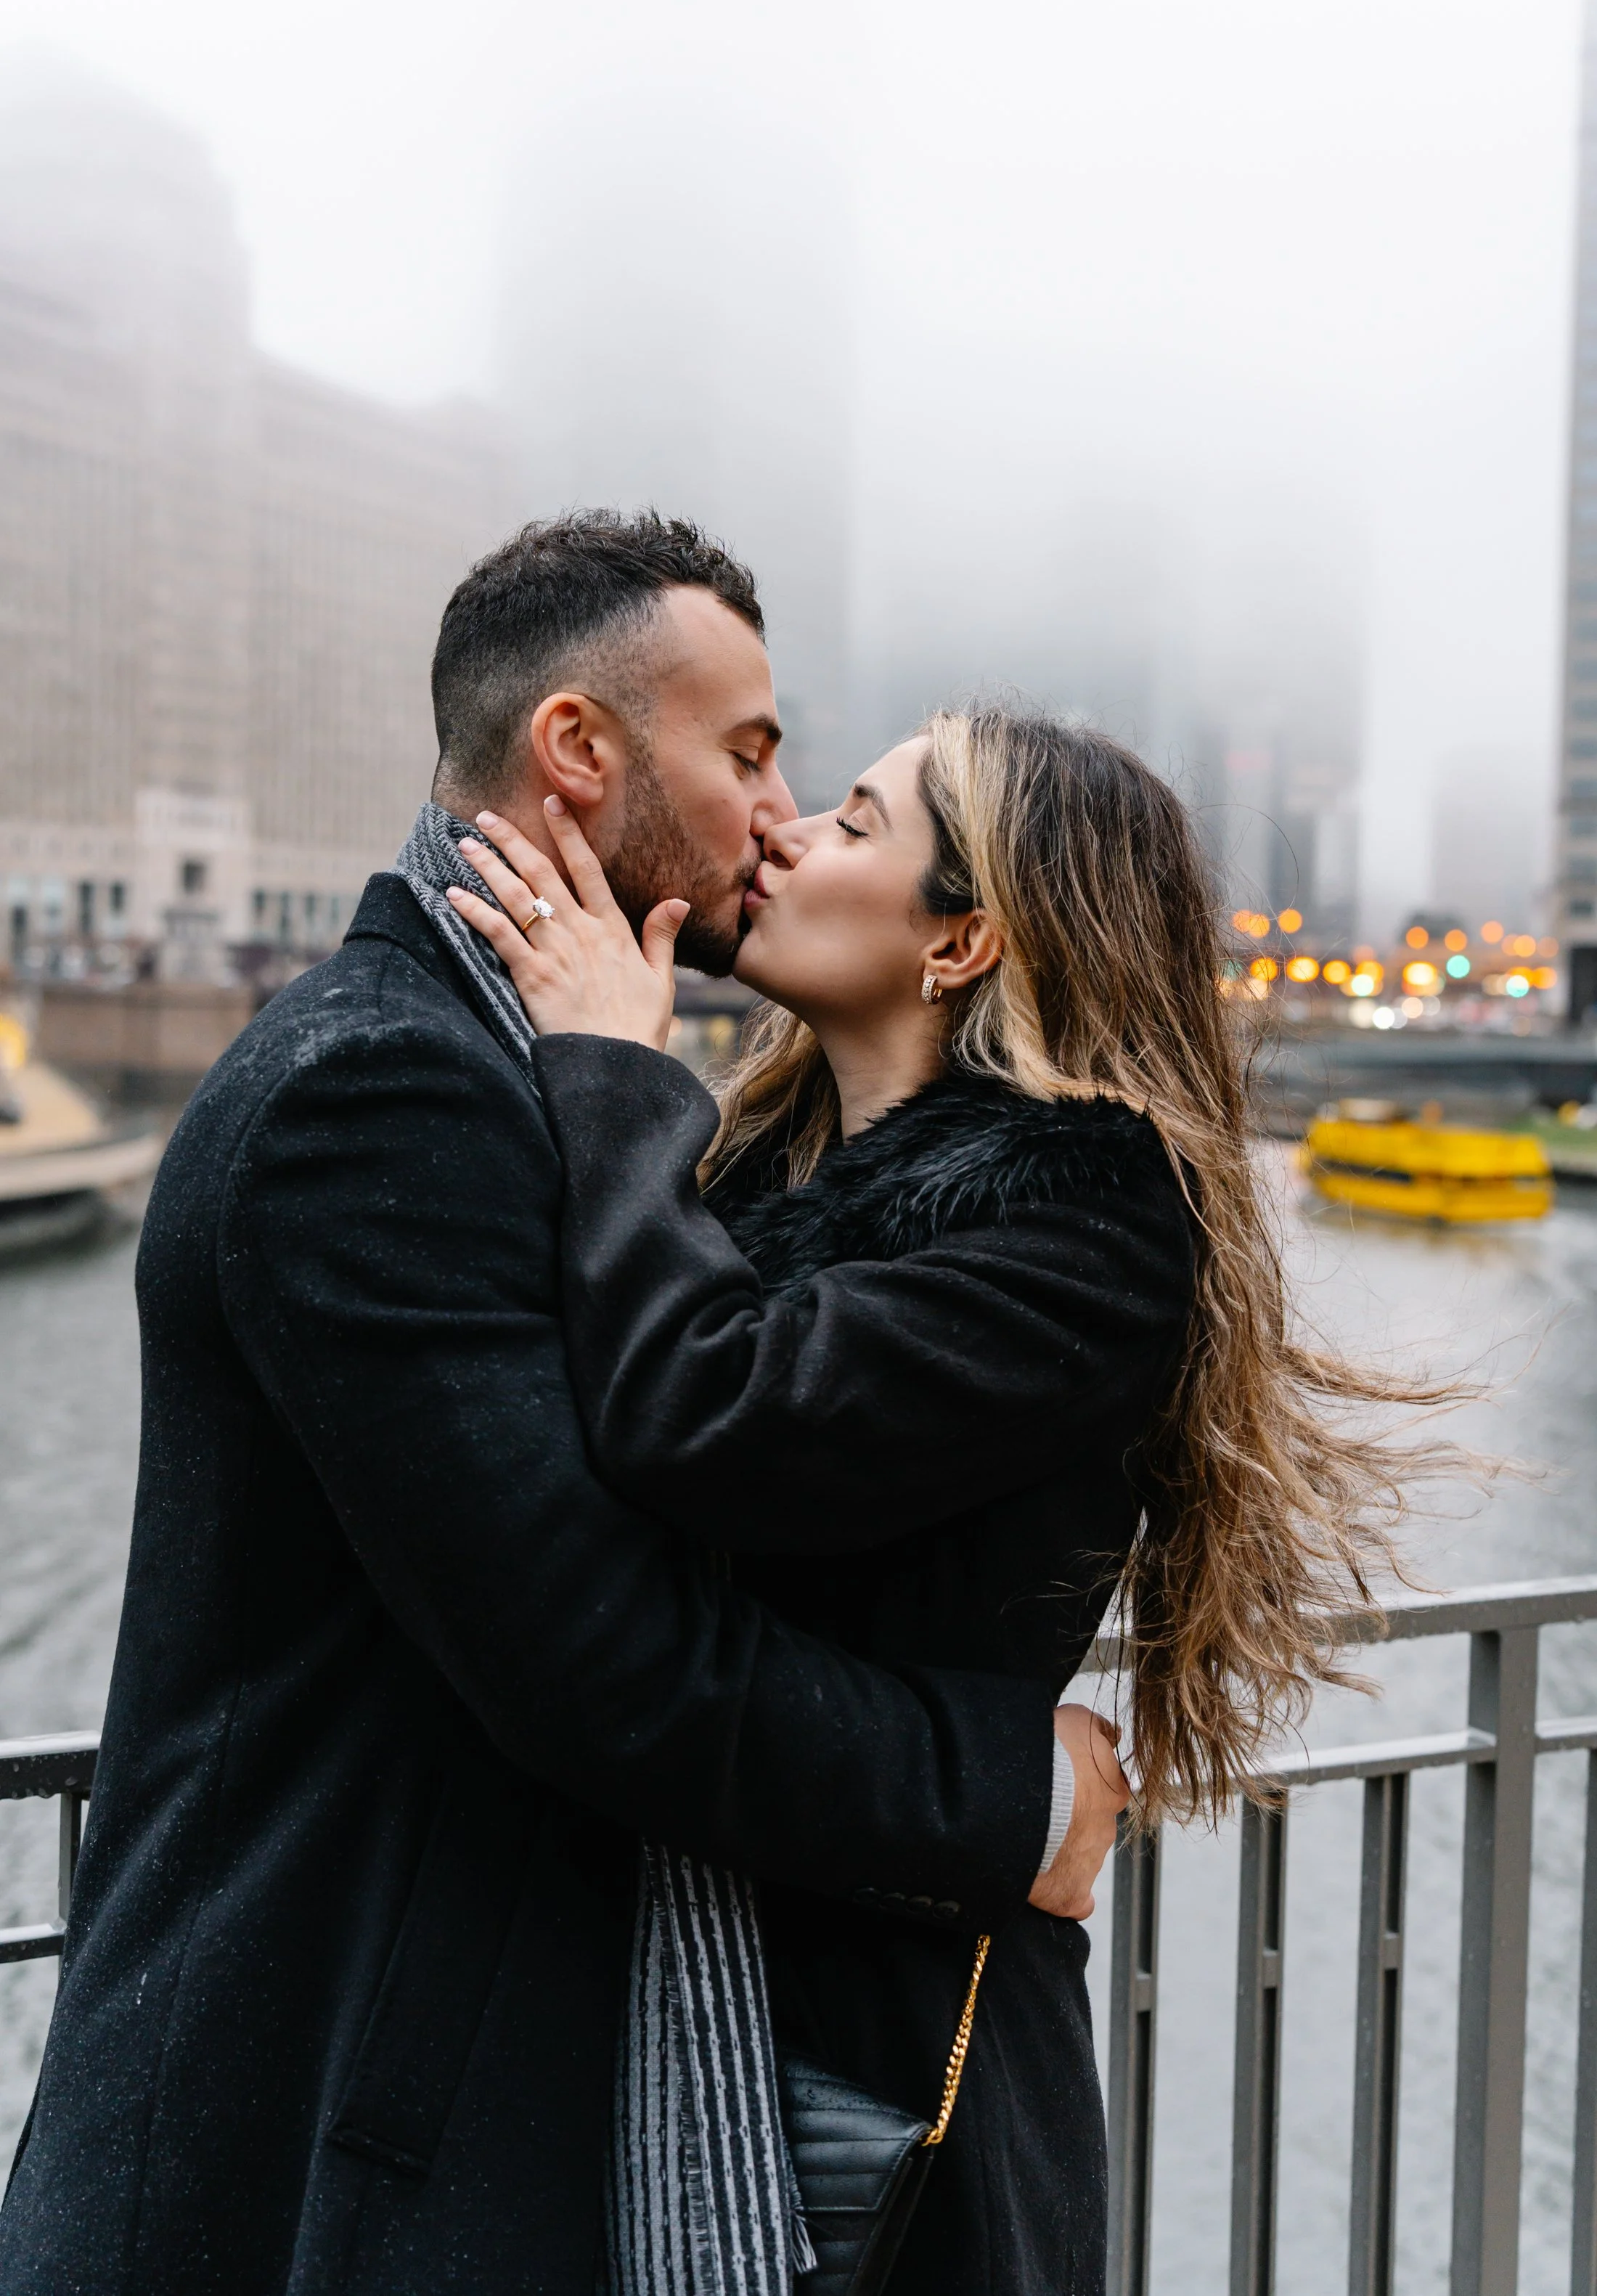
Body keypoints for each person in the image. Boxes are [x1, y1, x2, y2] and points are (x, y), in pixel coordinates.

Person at [0, 516, 1122, 2296]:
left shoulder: (516, 1080)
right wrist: (1008, 1800)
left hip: (440, 2068)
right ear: (580, 755)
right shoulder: (381, 1088)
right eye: (747, 754)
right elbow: (607, 1653)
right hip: (307, 2102)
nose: (773, 811)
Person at [448, 702, 1429, 2296]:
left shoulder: (1085, 1219)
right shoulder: (762, 1177)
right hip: (660, 1978)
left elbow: (713, 1421)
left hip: (876, 2070)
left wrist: (608, 1078)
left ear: (959, 938)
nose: (782, 836)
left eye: (846, 821)